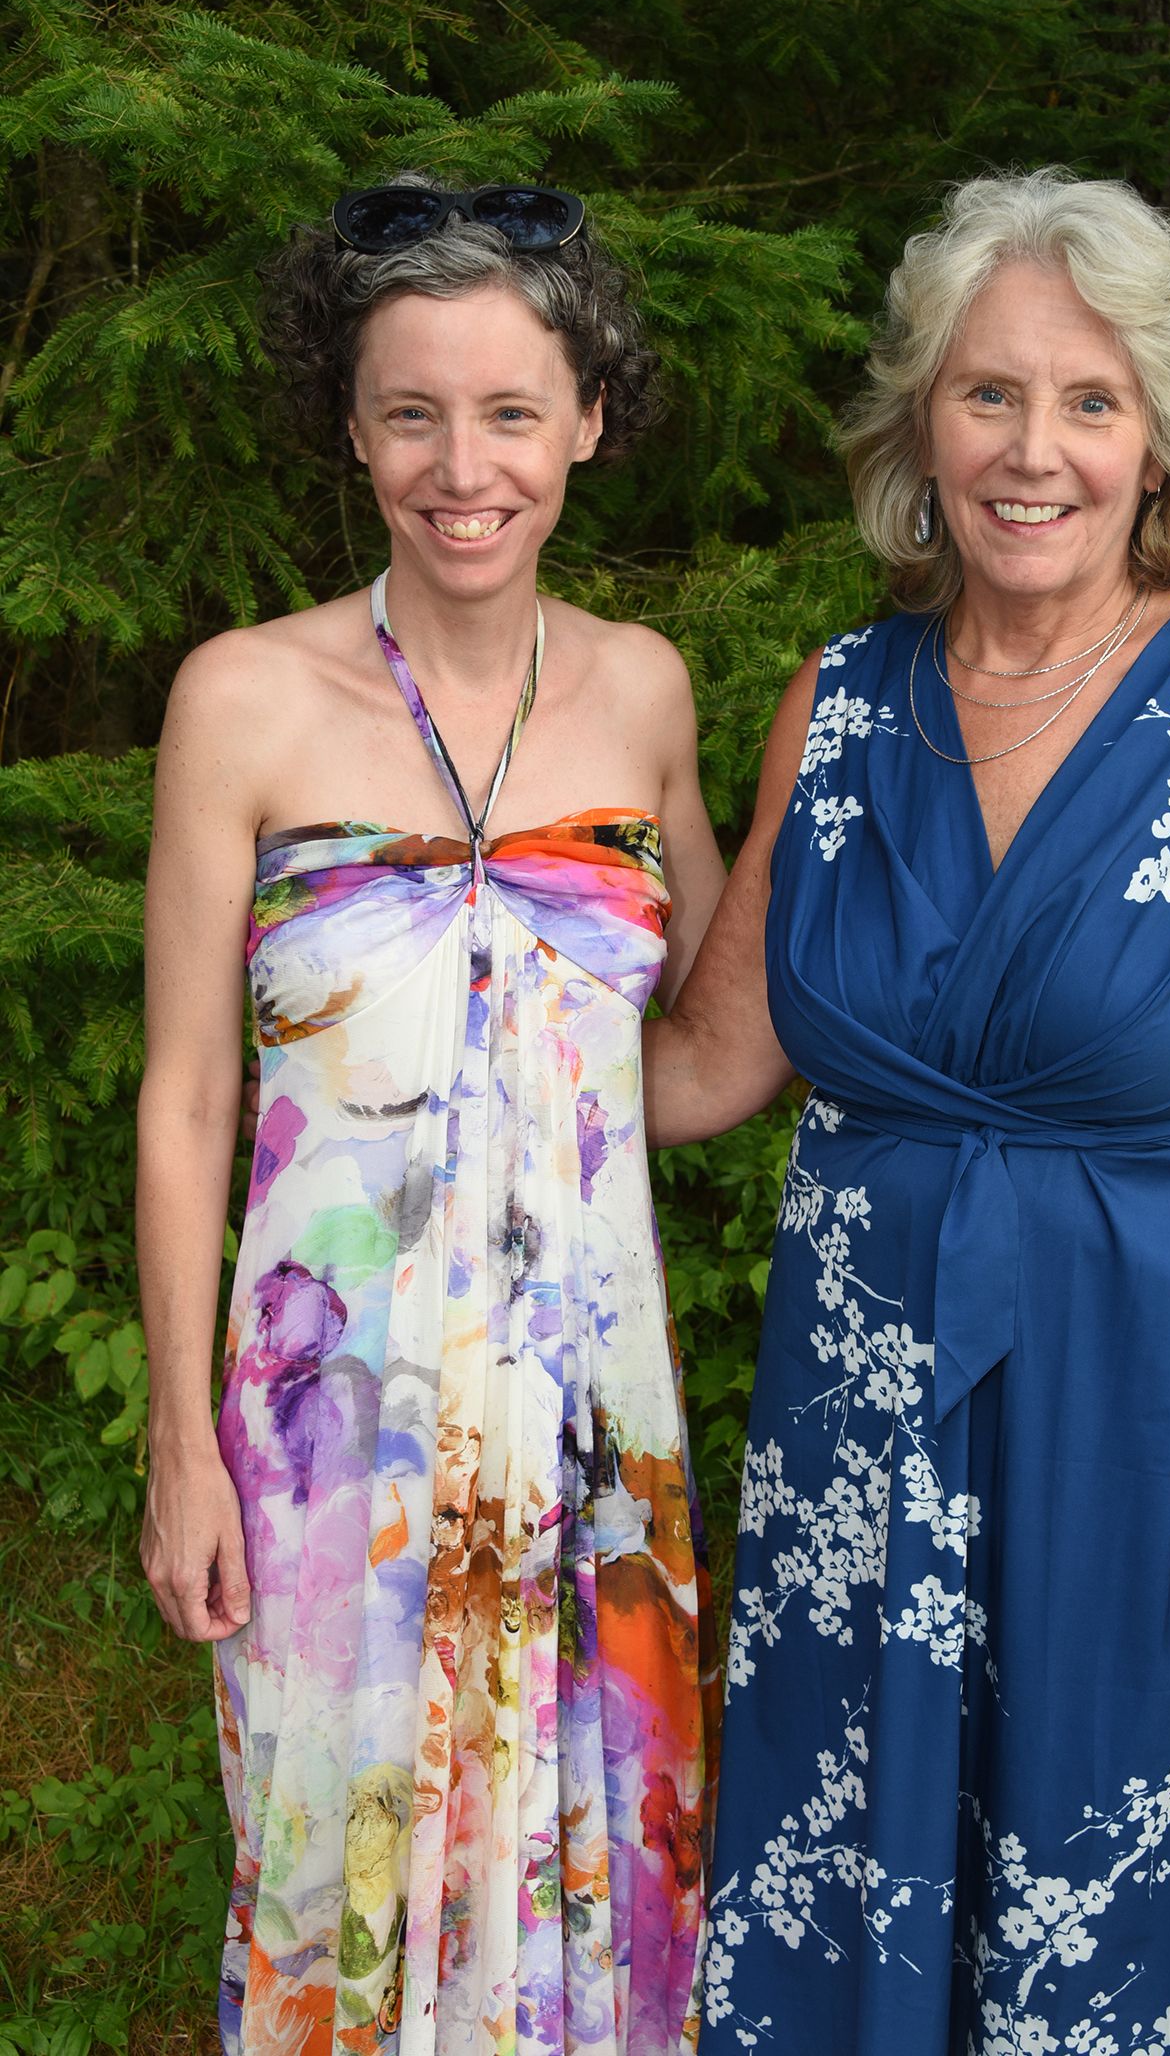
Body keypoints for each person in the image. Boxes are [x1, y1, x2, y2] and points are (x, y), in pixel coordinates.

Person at [645, 169, 1170, 2055]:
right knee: (865, 1890)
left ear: (1158, 439)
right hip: (870, 1407)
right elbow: (704, 1066)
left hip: (1160, 1407)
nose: (1034, 452)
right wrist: (435, 1007)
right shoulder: (838, 704)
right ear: (923, 419)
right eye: (989, 394)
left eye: (1089, 402)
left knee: (1120, 1890)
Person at [137, 179, 726, 2056]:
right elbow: (186, 1098)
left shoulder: (643, 694)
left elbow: (709, 1058)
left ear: (589, 420)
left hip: (588, 1421)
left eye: (508, 412)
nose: (462, 466)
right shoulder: (241, 701)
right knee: (325, 1864)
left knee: (599, 1861)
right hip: (327, 1425)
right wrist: (178, 1446)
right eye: (412, 412)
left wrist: (873, 796)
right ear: (352, 426)